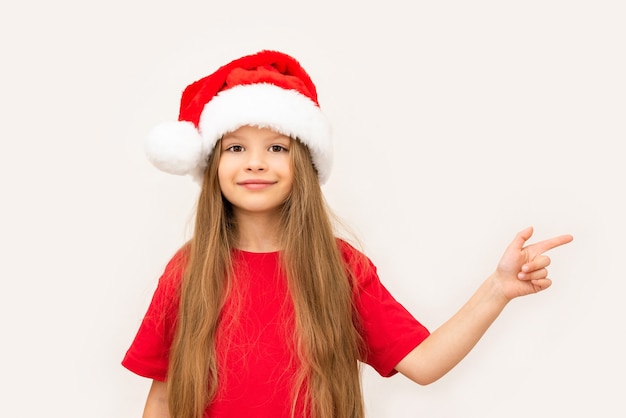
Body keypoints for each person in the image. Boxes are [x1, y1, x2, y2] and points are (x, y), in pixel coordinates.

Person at [122, 50, 573, 418]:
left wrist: (497, 289)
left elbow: (423, 363)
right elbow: (162, 398)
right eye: (236, 147)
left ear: (305, 164)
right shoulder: (189, 270)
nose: (255, 162)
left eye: (276, 147)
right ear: (212, 165)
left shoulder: (338, 267)